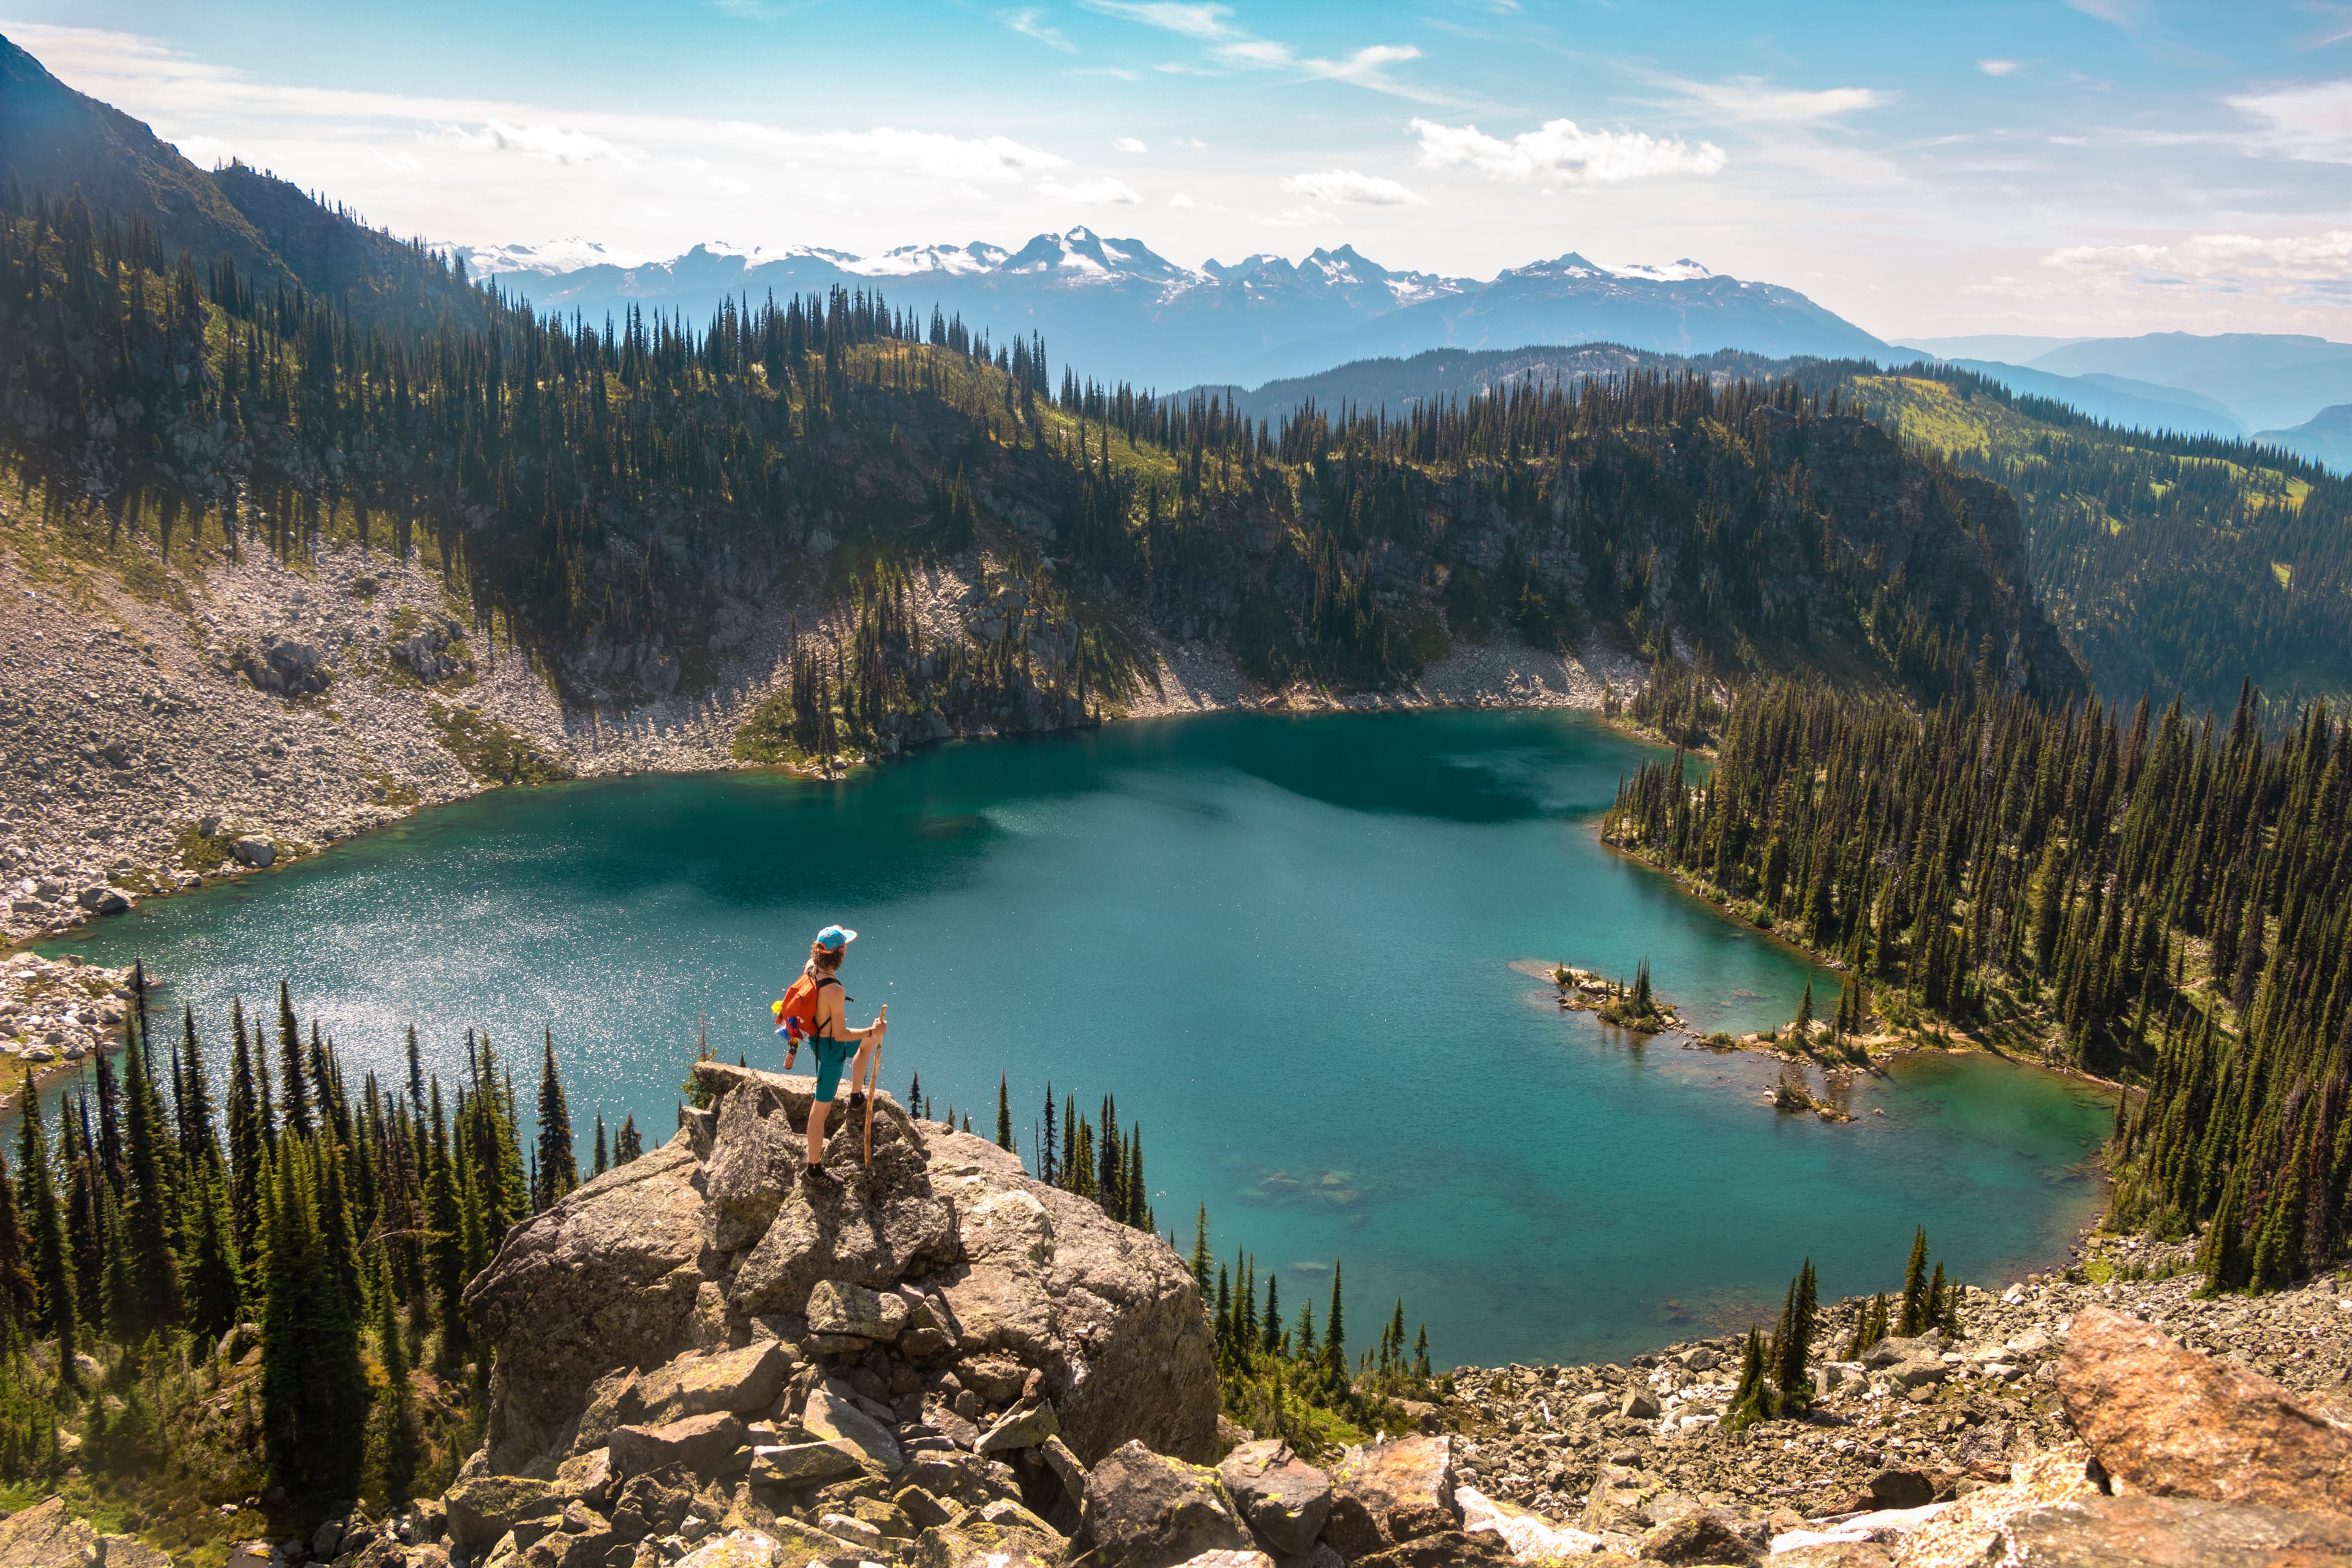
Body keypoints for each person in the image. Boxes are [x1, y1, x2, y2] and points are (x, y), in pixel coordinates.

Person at [780, 924, 887, 1176]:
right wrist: (874, 1031)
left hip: (818, 1038)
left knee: (865, 1044)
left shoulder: (811, 967)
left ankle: (856, 1097)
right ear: (839, 953)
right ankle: (814, 1170)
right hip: (830, 1050)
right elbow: (840, 1035)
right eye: (844, 947)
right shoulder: (835, 990)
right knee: (821, 1110)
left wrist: (868, 1037)